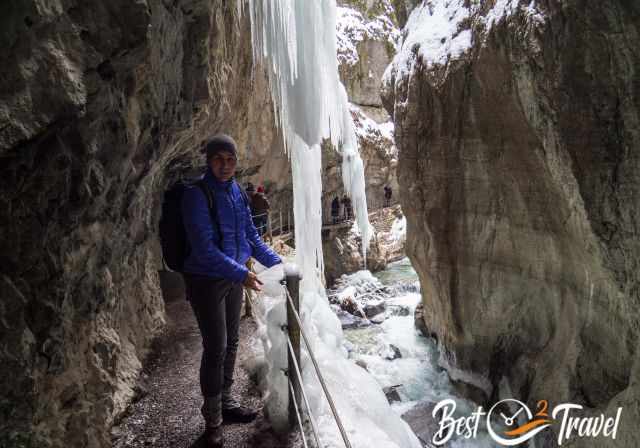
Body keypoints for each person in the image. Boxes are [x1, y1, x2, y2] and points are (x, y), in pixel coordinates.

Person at [181, 134, 282, 448]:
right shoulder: (197, 196)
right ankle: (212, 422)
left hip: (235, 276)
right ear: (209, 161)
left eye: (230, 159)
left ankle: (226, 403)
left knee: (232, 341)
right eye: (218, 159)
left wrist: (280, 264)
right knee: (216, 346)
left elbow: (250, 236)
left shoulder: (237, 190)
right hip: (207, 279)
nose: (225, 166)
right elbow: (204, 249)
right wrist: (243, 274)